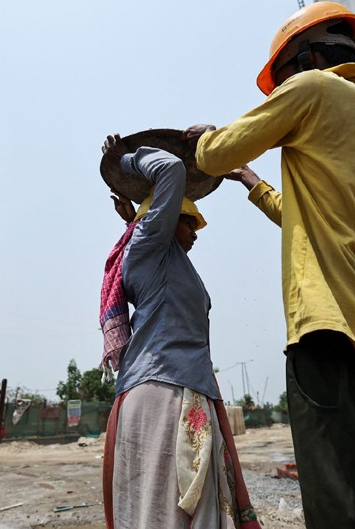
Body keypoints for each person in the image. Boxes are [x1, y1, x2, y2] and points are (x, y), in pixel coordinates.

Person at [183, 1, 355, 529]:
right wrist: (254, 184)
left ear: (308, 57)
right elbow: (309, 216)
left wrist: (204, 137)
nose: (278, 93)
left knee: (341, 507)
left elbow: (213, 154)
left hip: (334, 339)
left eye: (281, 79)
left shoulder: (313, 89)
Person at [99, 134, 260, 529]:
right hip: (162, 395)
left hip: (187, 389)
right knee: (167, 515)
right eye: (189, 221)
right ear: (167, 221)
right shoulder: (148, 245)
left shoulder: (164, 258)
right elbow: (170, 169)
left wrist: (134, 213)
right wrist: (127, 161)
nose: (196, 232)